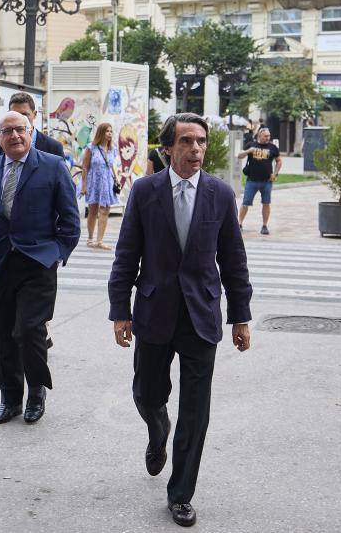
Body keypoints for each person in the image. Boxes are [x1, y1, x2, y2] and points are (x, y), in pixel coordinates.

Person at [108, 113, 252, 527]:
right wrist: (120, 309)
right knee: (147, 394)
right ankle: (157, 429)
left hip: (201, 315)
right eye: (186, 141)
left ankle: (181, 494)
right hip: (154, 311)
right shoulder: (145, 191)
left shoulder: (221, 195)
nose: (196, 149)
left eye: (201, 141)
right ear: (168, 147)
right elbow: (126, 254)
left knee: (196, 411)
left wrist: (240, 316)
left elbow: (234, 261)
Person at [0, 111, 80, 424]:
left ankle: (36, 392)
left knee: (28, 330)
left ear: (30, 131)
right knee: (2, 335)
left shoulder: (52, 167)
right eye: (8, 131)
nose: (15, 136)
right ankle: (10, 398)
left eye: (20, 130)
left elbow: (70, 219)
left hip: (38, 264)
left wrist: (58, 252)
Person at [80, 122, 119, 250]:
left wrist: (117, 179)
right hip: (94, 182)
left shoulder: (113, 149)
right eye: (107, 131)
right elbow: (85, 167)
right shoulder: (91, 147)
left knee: (105, 210)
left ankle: (100, 240)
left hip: (107, 182)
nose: (110, 134)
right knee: (93, 211)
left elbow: (111, 165)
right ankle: (90, 238)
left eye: (111, 131)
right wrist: (84, 186)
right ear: (101, 132)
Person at [0, 92, 65, 160]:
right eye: (15, 114)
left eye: (24, 114)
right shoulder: (0, 145)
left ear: (35, 114)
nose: (19, 118)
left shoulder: (53, 147)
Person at [237, 127, 282, 235]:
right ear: (259, 136)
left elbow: (279, 161)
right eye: (266, 136)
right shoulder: (251, 144)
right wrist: (249, 151)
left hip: (267, 181)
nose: (268, 138)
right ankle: (239, 224)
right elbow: (239, 156)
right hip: (251, 180)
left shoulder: (272, 147)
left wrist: (275, 174)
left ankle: (264, 226)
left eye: (269, 136)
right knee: (245, 203)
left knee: (266, 203)